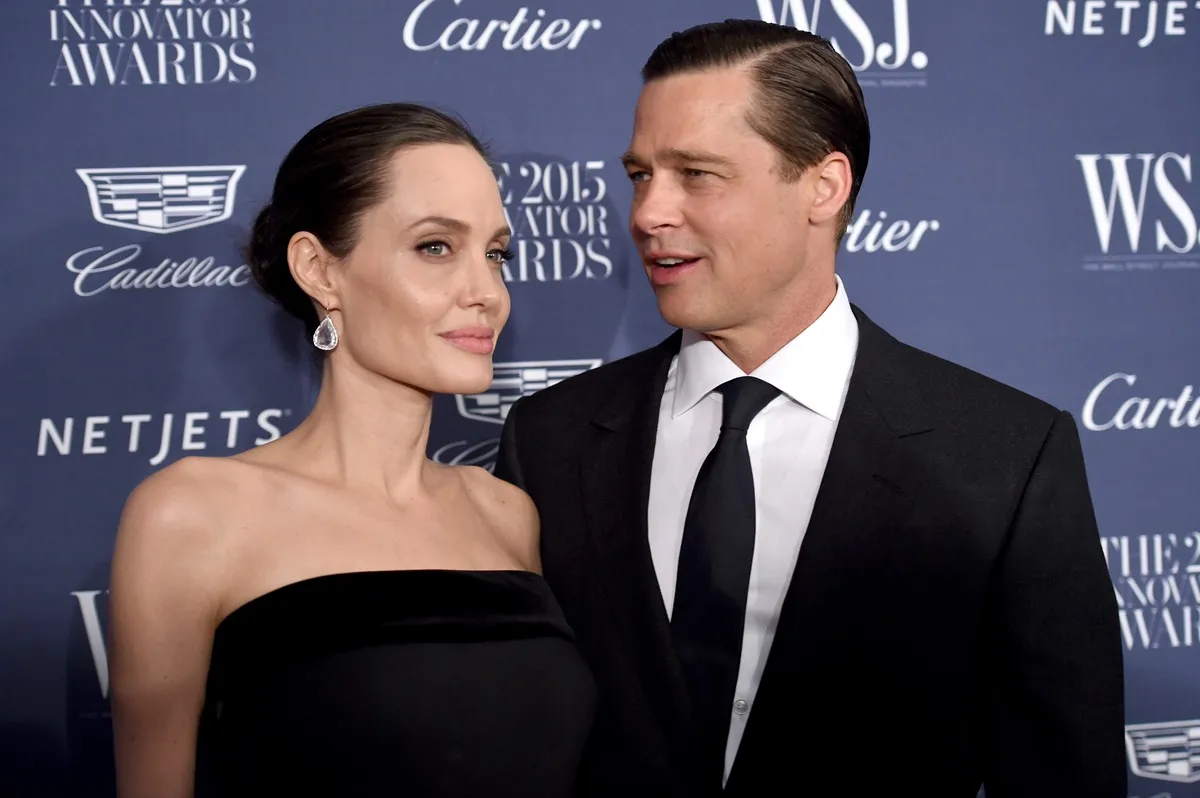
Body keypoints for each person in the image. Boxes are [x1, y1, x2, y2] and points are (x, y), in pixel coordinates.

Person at [493, 20, 1126, 797]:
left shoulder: (1005, 458)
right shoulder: (548, 440)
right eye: (638, 175)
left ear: (823, 187)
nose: (648, 213)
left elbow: (1064, 775)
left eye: (695, 173)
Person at [105, 102, 596, 798]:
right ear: (319, 270)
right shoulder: (193, 513)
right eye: (435, 247)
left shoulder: (506, 512)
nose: (485, 291)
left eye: (495, 254)